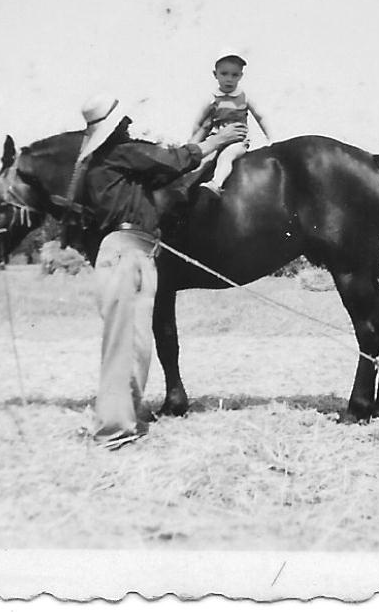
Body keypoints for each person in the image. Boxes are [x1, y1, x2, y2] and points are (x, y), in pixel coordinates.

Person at [76, 93, 246, 449]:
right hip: (127, 254)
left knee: (136, 345)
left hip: (136, 251)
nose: (127, 125)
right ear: (114, 129)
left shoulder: (113, 164)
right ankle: (112, 429)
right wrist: (216, 140)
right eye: (122, 122)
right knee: (126, 345)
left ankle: (124, 419)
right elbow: (174, 160)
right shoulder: (121, 153)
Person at [188, 53, 272, 195]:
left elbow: (260, 116)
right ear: (215, 74)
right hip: (215, 139)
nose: (229, 79)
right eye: (224, 74)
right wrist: (194, 142)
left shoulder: (244, 97)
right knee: (201, 161)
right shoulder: (212, 98)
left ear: (241, 76)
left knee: (226, 157)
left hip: (236, 140)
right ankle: (185, 191)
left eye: (234, 75)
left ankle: (216, 184)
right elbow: (198, 122)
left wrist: (270, 138)